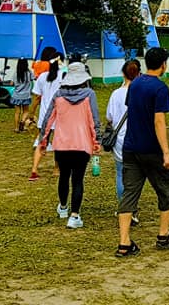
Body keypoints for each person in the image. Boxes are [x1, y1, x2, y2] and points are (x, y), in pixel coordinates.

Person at [116, 47, 169, 257]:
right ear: (164, 65)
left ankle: (124, 242)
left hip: (131, 147)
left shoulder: (134, 85)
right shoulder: (160, 88)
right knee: (166, 189)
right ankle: (163, 234)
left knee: (130, 193)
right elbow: (159, 120)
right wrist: (166, 152)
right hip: (151, 149)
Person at [39, 55, 101, 229]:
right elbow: (94, 120)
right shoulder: (89, 94)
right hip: (82, 145)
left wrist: (43, 142)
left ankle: (63, 207)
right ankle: (75, 216)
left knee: (64, 176)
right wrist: (97, 142)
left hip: (62, 145)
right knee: (78, 179)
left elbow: (47, 119)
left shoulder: (58, 95)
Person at [106, 58, 141, 214]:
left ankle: (124, 208)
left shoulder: (116, 94)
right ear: (139, 73)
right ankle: (132, 208)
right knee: (137, 178)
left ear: (123, 74)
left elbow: (109, 117)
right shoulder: (142, 93)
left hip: (120, 140)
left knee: (121, 174)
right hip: (139, 139)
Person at [29, 52, 63, 181]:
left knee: (41, 142)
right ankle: (56, 169)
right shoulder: (63, 77)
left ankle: (34, 169)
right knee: (58, 144)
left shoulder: (42, 77)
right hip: (60, 116)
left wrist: (32, 112)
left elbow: (37, 97)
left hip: (44, 116)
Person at [10, 57, 33, 133]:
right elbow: (34, 78)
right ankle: (22, 121)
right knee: (25, 111)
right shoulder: (29, 73)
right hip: (26, 96)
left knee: (17, 112)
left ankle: (16, 128)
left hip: (16, 95)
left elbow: (11, 83)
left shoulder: (16, 73)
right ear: (26, 64)